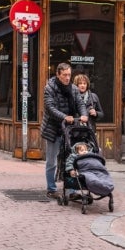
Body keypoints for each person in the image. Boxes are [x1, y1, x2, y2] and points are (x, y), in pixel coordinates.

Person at [42, 62, 88, 199]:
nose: (67, 78)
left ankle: (70, 190)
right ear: (58, 74)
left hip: (69, 130)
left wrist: (84, 114)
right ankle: (51, 189)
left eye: (69, 75)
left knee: (70, 159)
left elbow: (80, 103)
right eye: (64, 75)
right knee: (52, 161)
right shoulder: (49, 88)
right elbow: (50, 108)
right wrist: (64, 117)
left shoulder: (73, 89)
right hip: (53, 128)